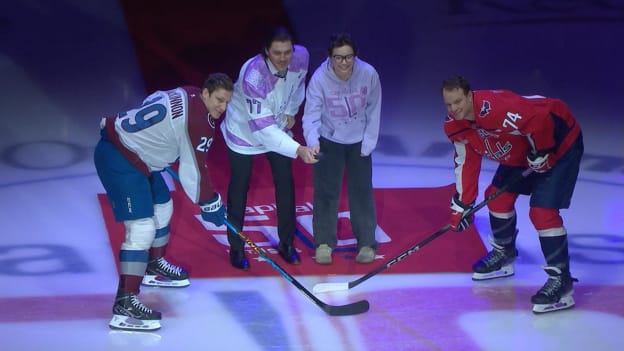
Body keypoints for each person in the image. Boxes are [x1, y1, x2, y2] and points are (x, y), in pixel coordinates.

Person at [94, 73, 234, 331]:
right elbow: (194, 171)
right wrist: (210, 203)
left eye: (227, 102)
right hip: (119, 158)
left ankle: (152, 265)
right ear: (205, 94)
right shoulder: (199, 123)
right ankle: (124, 303)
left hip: (137, 155)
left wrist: (159, 142)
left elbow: (154, 99)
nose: (222, 108)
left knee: (163, 206)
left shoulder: (188, 91)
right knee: (141, 229)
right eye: (218, 100)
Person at [440, 75, 583, 313]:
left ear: (469, 95)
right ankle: (503, 254)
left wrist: (543, 150)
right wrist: (462, 204)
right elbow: (466, 163)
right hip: (525, 147)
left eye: (458, 102)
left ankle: (562, 281)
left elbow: (539, 119)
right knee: (497, 196)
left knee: (542, 213)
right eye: (448, 104)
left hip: (558, 140)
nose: (454, 109)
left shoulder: (496, 108)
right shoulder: (455, 126)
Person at [221, 26, 318, 270]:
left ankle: (286, 244)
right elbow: (263, 129)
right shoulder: (253, 75)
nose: (284, 58)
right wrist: (298, 149)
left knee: (285, 182)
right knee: (239, 188)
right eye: (277, 53)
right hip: (245, 130)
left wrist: (290, 111)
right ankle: (236, 247)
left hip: (275, 123)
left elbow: (298, 86)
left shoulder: (301, 56)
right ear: (266, 52)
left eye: (287, 51)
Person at [302, 32, 382, 264]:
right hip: (329, 140)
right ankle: (324, 243)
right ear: (330, 57)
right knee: (326, 193)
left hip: (359, 142)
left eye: (348, 57)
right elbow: (311, 114)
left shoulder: (368, 74)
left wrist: (368, 143)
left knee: (362, 192)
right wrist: (313, 142)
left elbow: (374, 110)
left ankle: (366, 242)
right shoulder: (319, 79)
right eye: (338, 57)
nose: (344, 63)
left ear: (355, 56)